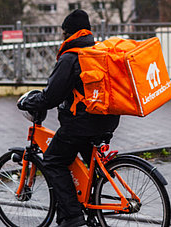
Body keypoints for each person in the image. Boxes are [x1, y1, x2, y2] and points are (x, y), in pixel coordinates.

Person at [18, 9, 120, 227]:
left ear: (69, 33)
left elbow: (52, 96)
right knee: (88, 169)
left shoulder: (71, 57)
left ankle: (73, 217)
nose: (62, 37)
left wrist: (31, 102)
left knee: (54, 161)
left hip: (82, 123)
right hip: (107, 118)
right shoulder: (96, 51)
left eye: (63, 32)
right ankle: (91, 214)